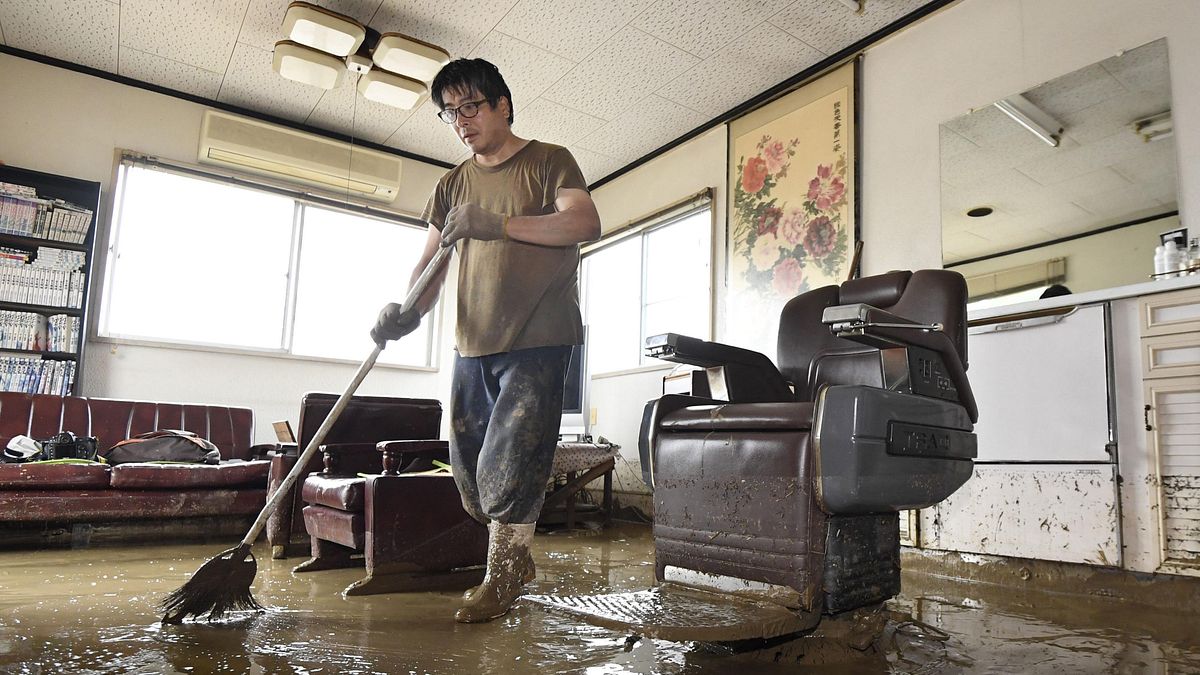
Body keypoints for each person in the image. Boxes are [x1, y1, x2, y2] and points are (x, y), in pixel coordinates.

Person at [370, 58, 601, 623]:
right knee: (472, 478)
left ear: (502, 105)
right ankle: (513, 558)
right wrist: (405, 312)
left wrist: (495, 223)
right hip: (471, 341)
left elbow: (583, 224)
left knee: (512, 462)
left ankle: (504, 572)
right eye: (450, 112)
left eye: (470, 106)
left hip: (539, 337)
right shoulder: (451, 184)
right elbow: (431, 264)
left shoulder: (549, 160)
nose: (460, 121)